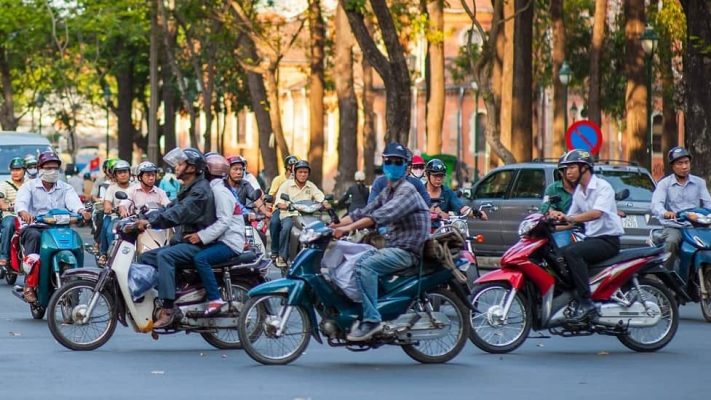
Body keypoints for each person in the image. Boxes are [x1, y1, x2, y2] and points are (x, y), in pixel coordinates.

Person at [330, 142, 430, 341]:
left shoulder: (406, 191)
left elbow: (380, 215)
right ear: (384, 163)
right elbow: (364, 211)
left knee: (363, 265)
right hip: (393, 245)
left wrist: (347, 229)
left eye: (398, 162)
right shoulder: (388, 190)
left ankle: (372, 320)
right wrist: (332, 226)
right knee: (355, 254)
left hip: (407, 251)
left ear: (405, 166)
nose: (393, 165)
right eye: (389, 161)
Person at [135, 148, 216, 328]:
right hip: (185, 240)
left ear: (192, 168)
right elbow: (170, 207)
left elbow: (178, 214)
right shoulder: (189, 187)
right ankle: (176, 292)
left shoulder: (200, 191)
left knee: (165, 256)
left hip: (200, 243)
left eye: (180, 164)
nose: (176, 167)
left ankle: (168, 308)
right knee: (145, 257)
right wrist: (145, 218)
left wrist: (149, 223)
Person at [548, 149, 624, 321]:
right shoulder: (579, 192)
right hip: (592, 240)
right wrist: (548, 226)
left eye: (572, 167)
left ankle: (586, 302)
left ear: (585, 168)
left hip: (608, 241)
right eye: (566, 169)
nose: (568, 172)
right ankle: (570, 296)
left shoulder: (603, 187)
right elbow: (570, 221)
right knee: (556, 255)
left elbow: (596, 213)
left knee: (572, 252)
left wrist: (568, 217)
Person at [15, 151, 90, 302]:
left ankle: (77, 282)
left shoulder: (65, 188)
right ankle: (29, 285)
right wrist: (24, 212)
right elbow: (21, 203)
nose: (52, 171)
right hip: (35, 226)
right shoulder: (29, 187)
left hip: (59, 228)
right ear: (40, 168)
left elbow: (74, 203)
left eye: (55, 168)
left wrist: (82, 211)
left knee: (75, 240)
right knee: (34, 237)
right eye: (48, 168)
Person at [186, 154, 246, 316]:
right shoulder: (214, 188)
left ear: (208, 171)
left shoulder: (220, 191)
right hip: (221, 239)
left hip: (229, 242)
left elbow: (223, 222)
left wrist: (200, 236)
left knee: (201, 259)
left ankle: (215, 298)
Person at [651, 146, 711, 271]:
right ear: (673, 166)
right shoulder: (664, 184)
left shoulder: (699, 182)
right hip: (675, 225)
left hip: (696, 226)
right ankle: (665, 277)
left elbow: (708, 204)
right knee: (672, 242)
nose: (684, 167)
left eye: (686, 162)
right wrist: (665, 213)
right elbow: (656, 205)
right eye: (680, 163)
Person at [273, 160, 329, 268]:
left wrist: (325, 203)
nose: (303, 174)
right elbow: (279, 202)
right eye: (300, 172)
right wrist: (284, 205)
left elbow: (320, 197)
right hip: (289, 215)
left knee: (320, 229)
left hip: (307, 216)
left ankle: (319, 257)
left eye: (305, 172)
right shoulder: (286, 185)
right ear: (295, 173)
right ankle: (282, 256)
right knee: (286, 228)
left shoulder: (311, 186)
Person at [540, 153, 579, 248]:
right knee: (561, 247)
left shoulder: (584, 187)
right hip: (563, 228)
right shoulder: (553, 188)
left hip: (586, 226)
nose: (571, 173)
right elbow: (545, 207)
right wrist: (553, 212)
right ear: (561, 173)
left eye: (574, 169)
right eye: (567, 170)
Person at [99, 160, 134, 263]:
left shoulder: (135, 187)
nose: (123, 174)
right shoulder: (112, 188)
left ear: (129, 173)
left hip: (135, 217)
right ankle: (108, 255)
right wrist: (110, 208)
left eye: (125, 172)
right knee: (109, 232)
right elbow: (107, 205)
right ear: (115, 175)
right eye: (120, 172)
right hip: (117, 218)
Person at [268, 155, 298, 259]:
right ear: (287, 167)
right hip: (280, 208)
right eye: (292, 165)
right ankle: (275, 250)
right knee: (274, 222)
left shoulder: (299, 179)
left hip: (296, 208)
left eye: (295, 165)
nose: (294, 167)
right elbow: (271, 196)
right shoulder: (278, 179)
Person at [0, 157, 26, 268]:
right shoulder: (4, 184)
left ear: (24, 170)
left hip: (26, 216)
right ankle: (4, 256)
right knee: (10, 224)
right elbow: (1, 203)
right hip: (11, 215)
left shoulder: (30, 184)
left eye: (18, 169)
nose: (15, 172)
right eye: (13, 170)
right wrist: (8, 207)